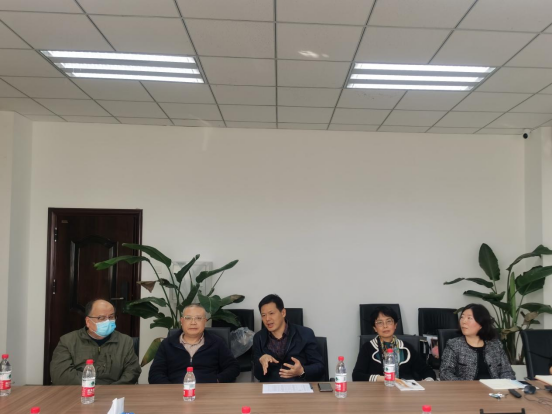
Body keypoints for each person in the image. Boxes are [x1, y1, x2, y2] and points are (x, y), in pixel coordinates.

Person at [50, 299, 141, 385]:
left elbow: (132, 372)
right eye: (101, 318)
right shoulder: (68, 341)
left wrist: (112, 390)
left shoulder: (125, 341)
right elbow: (60, 375)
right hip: (77, 392)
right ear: (88, 321)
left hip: (115, 393)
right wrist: (95, 387)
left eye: (111, 317)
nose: (107, 321)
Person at [148, 304, 240, 384]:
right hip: (174, 391)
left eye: (198, 318)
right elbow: (155, 374)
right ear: (182, 321)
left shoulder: (217, 342)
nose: (193, 323)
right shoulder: (167, 344)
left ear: (205, 321)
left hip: (209, 391)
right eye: (188, 318)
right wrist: (170, 390)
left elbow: (233, 367)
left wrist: (216, 380)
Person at [352, 306, 436, 382]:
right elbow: (356, 376)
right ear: (375, 328)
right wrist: (381, 379)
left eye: (389, 321)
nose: (385, 326)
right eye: (380, 322)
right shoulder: (368, 347)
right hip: (378, 391)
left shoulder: (406, 348)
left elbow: (427, 371)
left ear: (395, 325)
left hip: (404, 391)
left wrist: (428, 381)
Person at [252, 294, 324, 382]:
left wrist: (302, 371)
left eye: (271, 313)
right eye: (263, 315)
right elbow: (258, 375)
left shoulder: (306, 334)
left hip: (298, 386)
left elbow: (320, 367)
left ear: (283, 313)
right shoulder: (259, 337)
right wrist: (260, 361)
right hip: (271, 387)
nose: (267, 319)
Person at [440, 303, 515, 381]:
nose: (463, 321)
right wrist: (464, 385)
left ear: (481, 323)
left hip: (494, 388)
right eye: (462, 317)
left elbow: (507, 372)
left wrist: (504, 384)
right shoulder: (454, 345)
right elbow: (445, 373)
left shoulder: (495, 345)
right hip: (465, 388)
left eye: (469, 318)